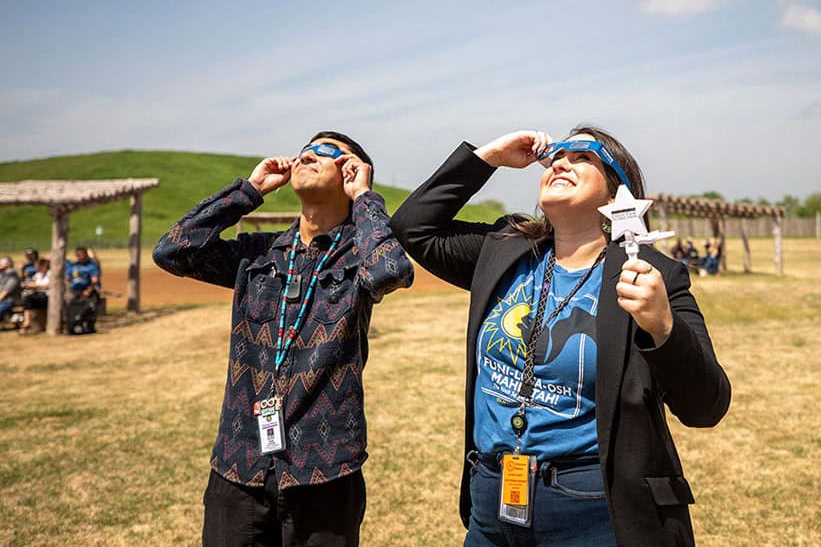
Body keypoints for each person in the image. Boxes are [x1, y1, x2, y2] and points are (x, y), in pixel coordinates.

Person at [390, 126, 731, 546]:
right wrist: (489, 157)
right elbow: (412, 226)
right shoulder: (504, 250)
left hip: (593, 509)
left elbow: (707, 405)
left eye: (584, 157)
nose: (562, 162)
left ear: (615, 195)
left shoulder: (652, 275)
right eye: (557, 156)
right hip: (492, 500)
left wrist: (663, 328)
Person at [153, 130, 413, 546]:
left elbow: (390, 272)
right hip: (239, 464)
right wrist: (249, 191)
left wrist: (365, 197)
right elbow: (172, 251)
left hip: (324, 471)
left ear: (351, 172)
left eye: (327, 152)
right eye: (304, 151)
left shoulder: (361, 254)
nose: (308, 155)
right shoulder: (258, 253)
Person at [19, 258, 49, 335]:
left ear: (43, 266)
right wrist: (27, 284)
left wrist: (35, 285)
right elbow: (32, 283)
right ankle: (27, 321)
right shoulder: (38, 275)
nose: (35, 267)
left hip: (48, 296)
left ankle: (26, 322)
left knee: (28, 298)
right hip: (39, 295)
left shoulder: (50, 273)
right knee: (27, 297)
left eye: (37, 266)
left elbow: (49, 285)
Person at [0, 257, 21, 321]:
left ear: (8, 264)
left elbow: (5, 292)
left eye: (1, 264)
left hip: (9, 300)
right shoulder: (2, 273)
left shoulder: (12, 275)